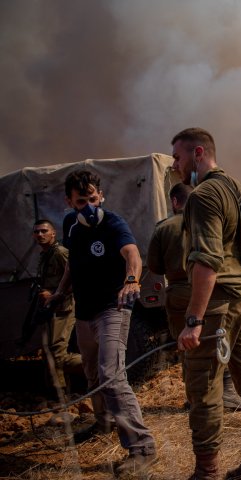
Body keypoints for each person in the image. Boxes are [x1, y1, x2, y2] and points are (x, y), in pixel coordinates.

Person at [171, 127, 241, 479]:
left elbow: (207, 262)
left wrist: (193, 321)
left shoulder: (203, 196)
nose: (175, 165)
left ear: (198, 153)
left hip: (217, 305)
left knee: (203, 386)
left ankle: (208, 472)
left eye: (178, 157)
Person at [49, 169, 157, 478]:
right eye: (81, 202)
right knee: (92, 373)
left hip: (112, 309)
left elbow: (132, 253)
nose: (89, 207)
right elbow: (72, 264)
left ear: (101, 196)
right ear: (69, 202)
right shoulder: (71, 225)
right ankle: (103, 422)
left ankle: (142, 447)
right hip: (84, 313)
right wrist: (60, 292)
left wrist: (132, 280)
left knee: (112, 375)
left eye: (93, 199)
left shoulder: (113, 223)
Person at [146, 182, 241, 410]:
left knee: (187, 345)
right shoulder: (211, 220)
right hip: (213, 289)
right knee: (220, 339)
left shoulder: (164, 228)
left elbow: (154, 266)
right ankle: (226, 393)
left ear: (174, 201)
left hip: (180, 293)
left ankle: (196, 398)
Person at [30, 219, 82, 394]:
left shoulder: (60, 252)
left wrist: (54, 294)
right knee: (49, 353)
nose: (40, 234)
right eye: (36, 232)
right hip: (51, 308)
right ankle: (59, 394)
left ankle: (98, 365)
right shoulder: (45, 255)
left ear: (53, 233)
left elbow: (77, 279)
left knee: (57, 353)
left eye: (44, 231)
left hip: (64, 307)